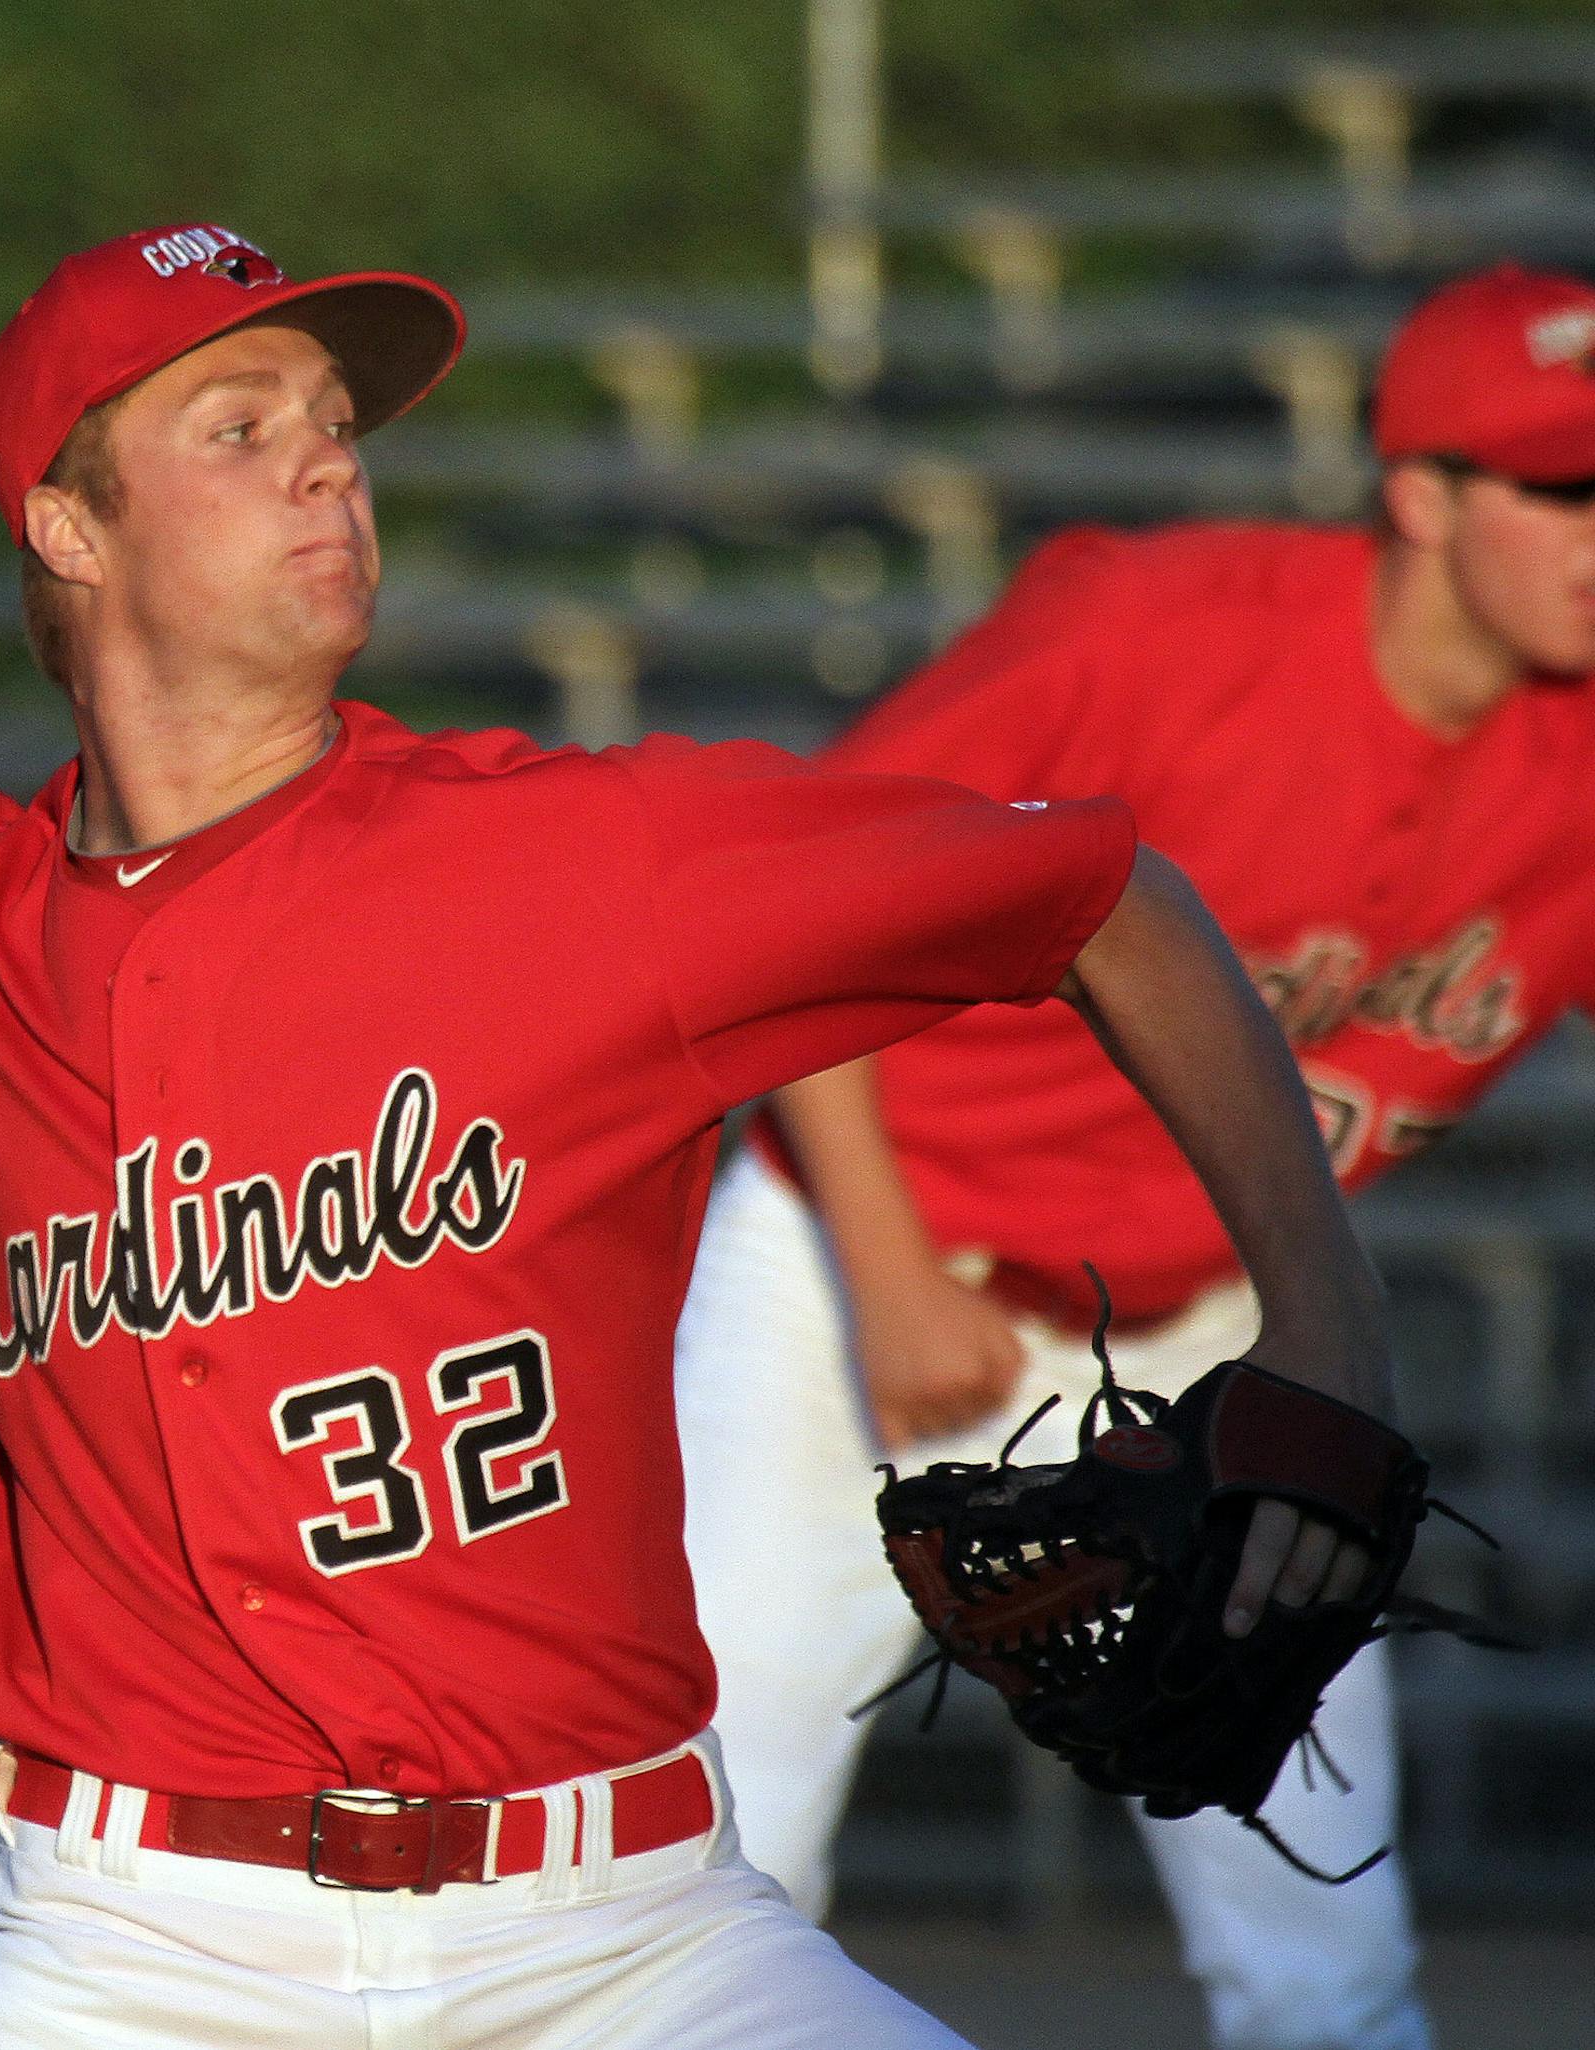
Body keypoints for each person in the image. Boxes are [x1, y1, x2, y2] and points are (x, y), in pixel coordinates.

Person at [0, 61, 1399, 2050]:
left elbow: (1105, 896)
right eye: (238, 425)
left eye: (336, 428)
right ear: (65, 525)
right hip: (137, 1945)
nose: (324, 465)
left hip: (630, 1937)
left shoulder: (581, 857)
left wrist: (1329, 1337)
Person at [676, 262, 1595, 2050]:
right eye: (1566, 491)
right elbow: (812, 906)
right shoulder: (1156, 632)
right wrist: (877, 1273)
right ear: (1421, 497)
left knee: (1327, 1941)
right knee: (714, 1873)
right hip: (861, 1273)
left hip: (1212, 1332)